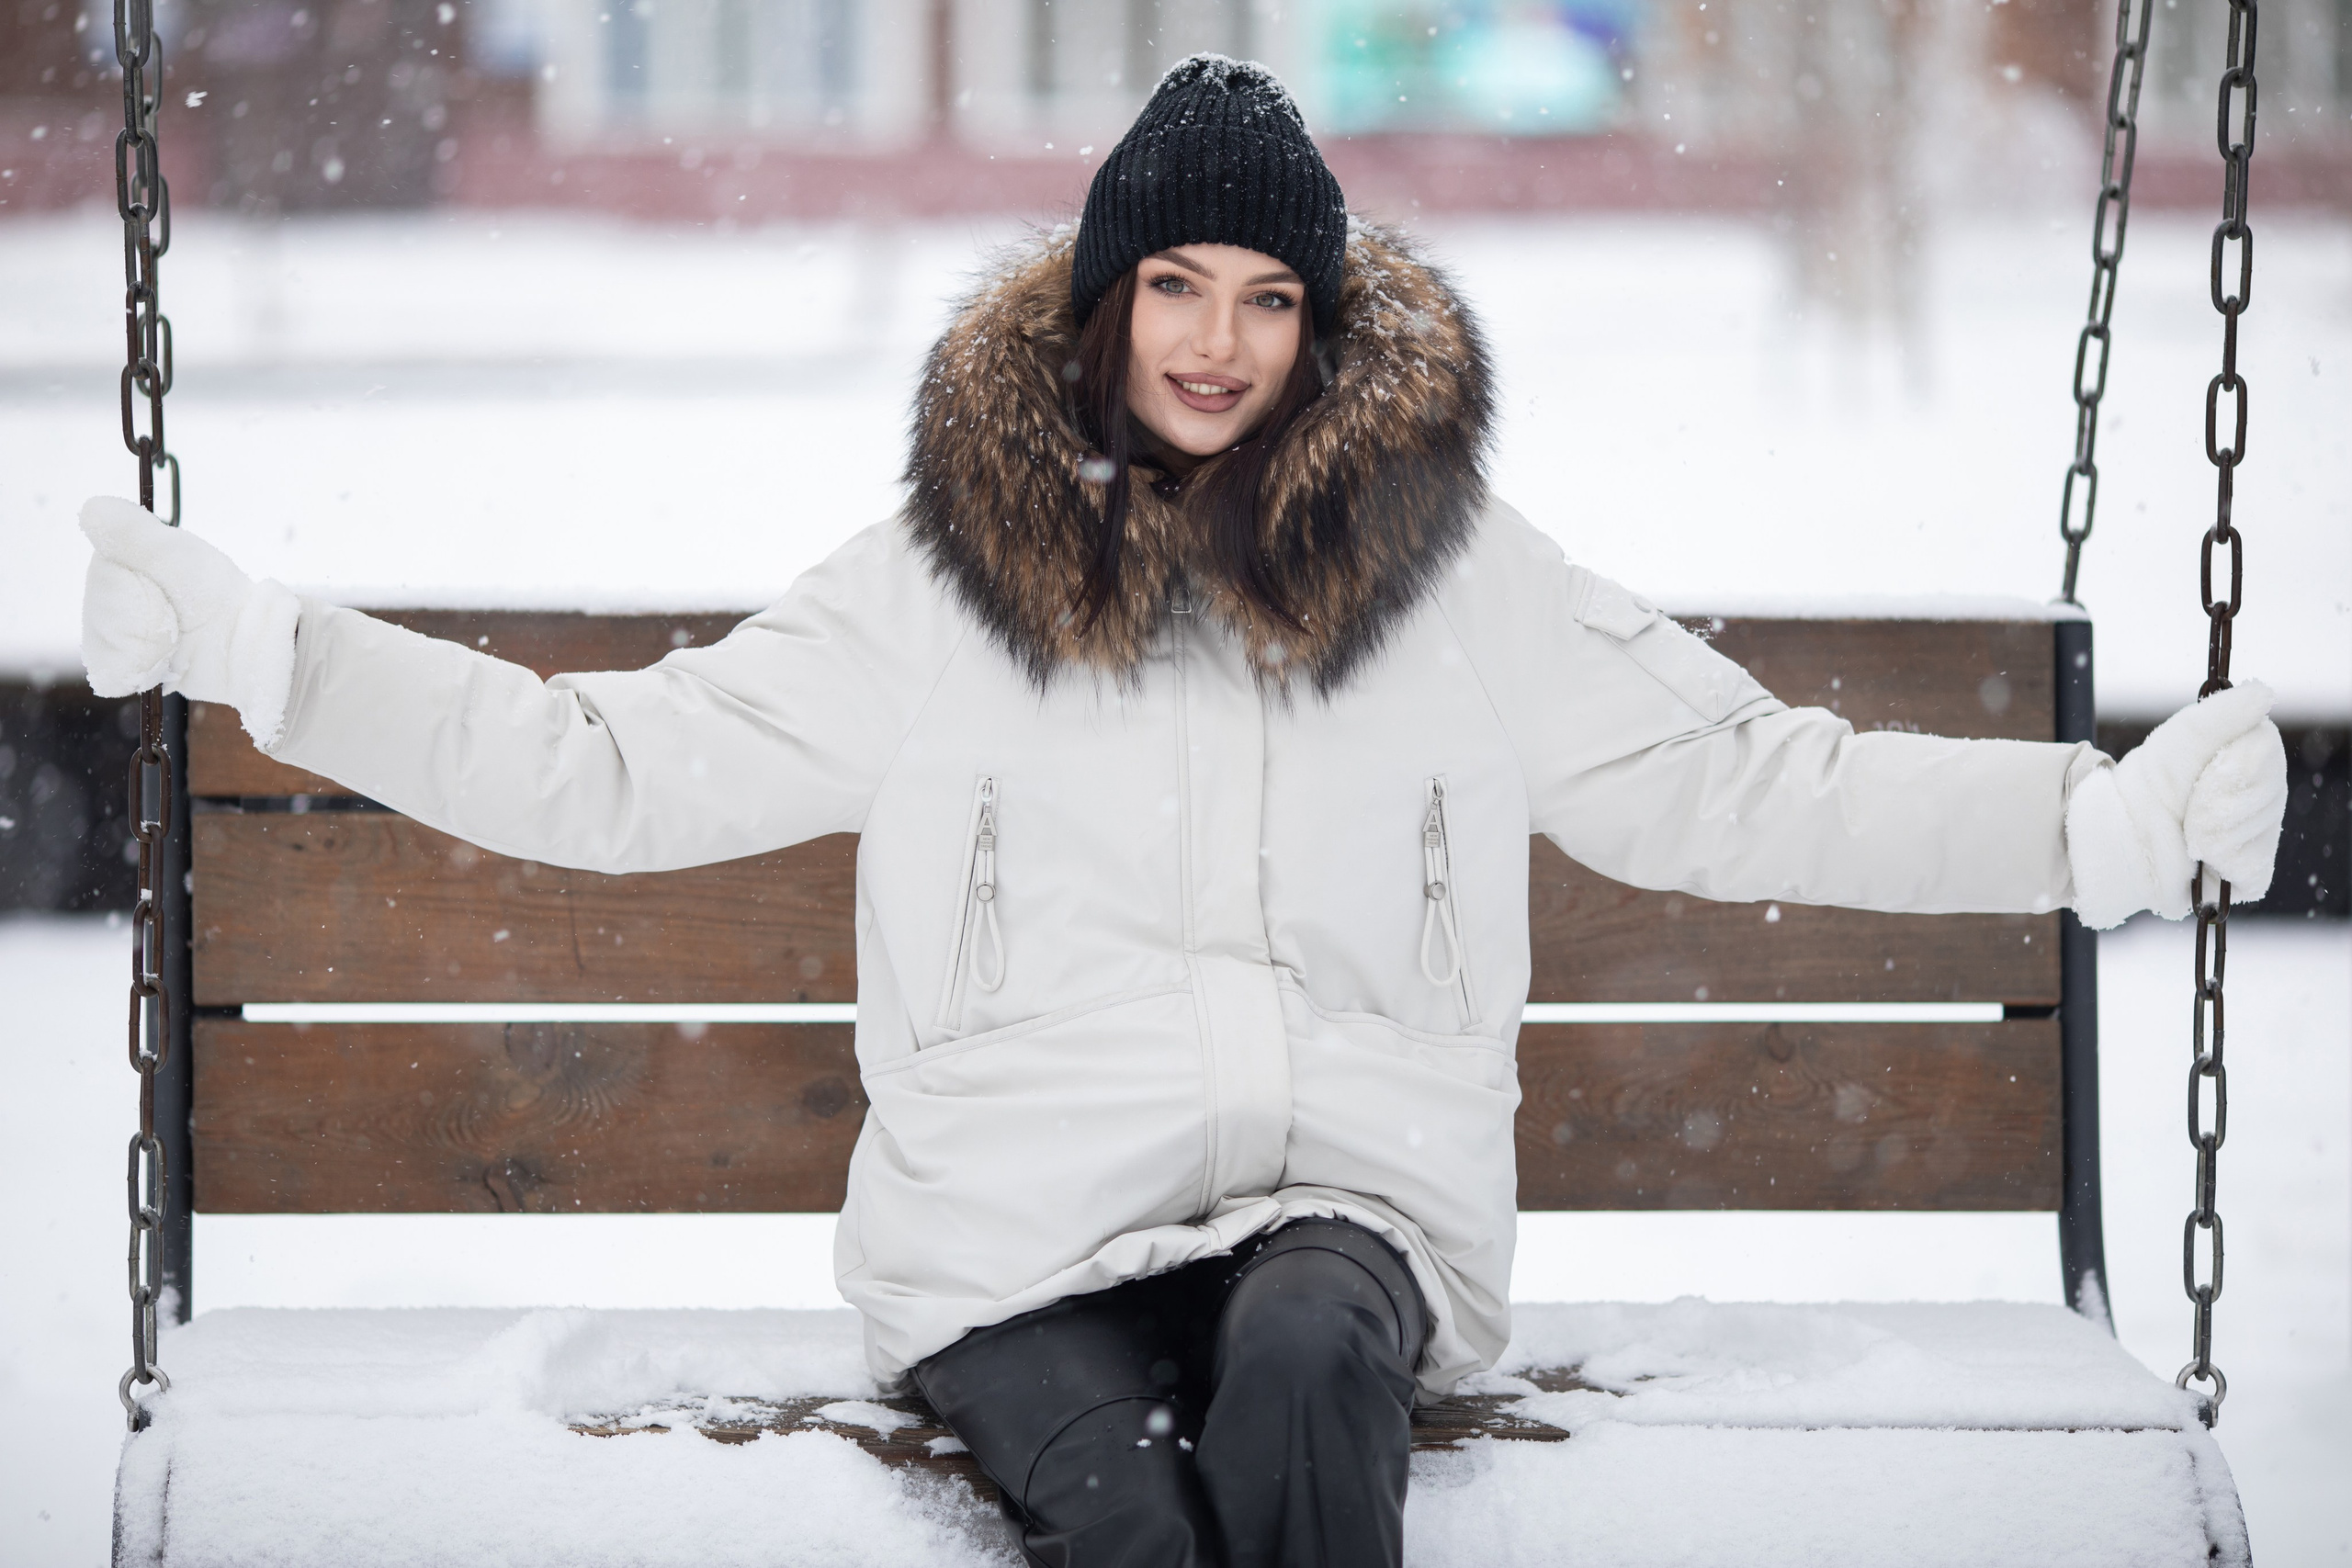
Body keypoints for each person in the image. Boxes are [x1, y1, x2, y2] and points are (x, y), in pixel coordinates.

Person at [76, 54, 2287, 1568]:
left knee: (1314, 1374)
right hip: (1009, 1240)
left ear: (1322, 330)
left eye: (1265, 300)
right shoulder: (943, 586)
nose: (1217, 345)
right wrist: (267, 646)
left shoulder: (1446, 577)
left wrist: (2095, 828)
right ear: (1101, 296)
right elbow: (607, 768)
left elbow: (1742, 782)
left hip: (1343, 1216)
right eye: (1175, 289)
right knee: (1129, 1512)